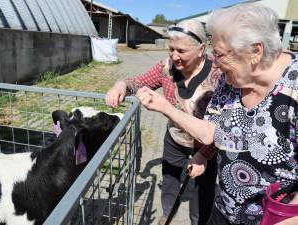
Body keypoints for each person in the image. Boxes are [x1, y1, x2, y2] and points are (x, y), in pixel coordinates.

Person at [136, 2, 298, 225]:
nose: (216, 64)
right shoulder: (231, 81)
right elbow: (208, 133)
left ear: (254, 51)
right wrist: (165, 107)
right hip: (224, 211)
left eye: (219, 55)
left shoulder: (294, 86)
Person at [106, 18, 221, 225]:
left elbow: (223, 123)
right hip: (175, 138)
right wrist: (121, 85)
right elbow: (140, 81)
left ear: (201, 48)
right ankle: (169, 211)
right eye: (171, 49)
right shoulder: (166, 67)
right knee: (169, 179)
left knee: (203, 191)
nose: (174, 56)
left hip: (207, 145)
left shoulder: (218, 75)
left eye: (182, 51)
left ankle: (199, 220)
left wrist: (204, 155)